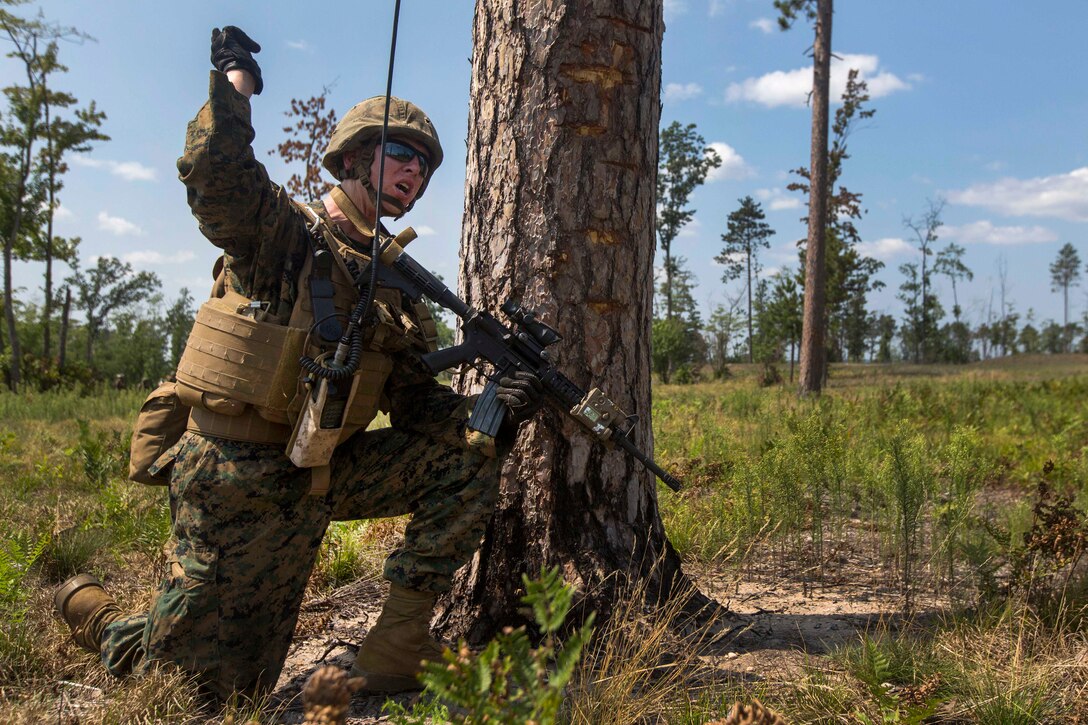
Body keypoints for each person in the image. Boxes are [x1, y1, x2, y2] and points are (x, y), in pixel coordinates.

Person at [54, 26, 541, 700]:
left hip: (318, 476)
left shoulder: (400, 289)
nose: (413, 173)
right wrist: (235, 84)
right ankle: (100, 616)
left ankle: (397, 647)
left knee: (466, 456)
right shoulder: (284, 236)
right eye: (400, 154)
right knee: (204, 694)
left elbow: (418, 406)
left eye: (424, 167)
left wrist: (490, 410)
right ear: (351, 159)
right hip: (235, 481)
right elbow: (214, 175)